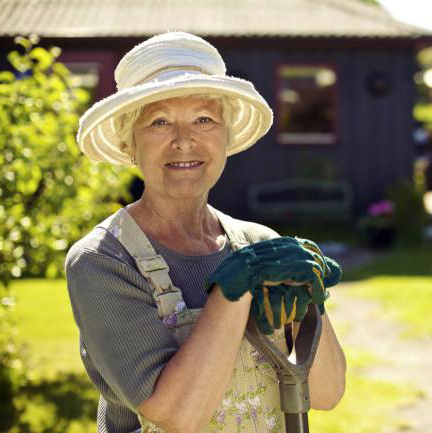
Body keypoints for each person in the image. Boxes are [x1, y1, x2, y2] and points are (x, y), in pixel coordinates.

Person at [65, 32, 346, 433]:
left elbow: (327, 393)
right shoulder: (103, 260)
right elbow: (177, 415)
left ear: (226, 137)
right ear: (130, 143)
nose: (184, 141)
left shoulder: (259, 243)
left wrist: (308, 308)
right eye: (160, 122)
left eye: (204, 120)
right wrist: (233, 293)